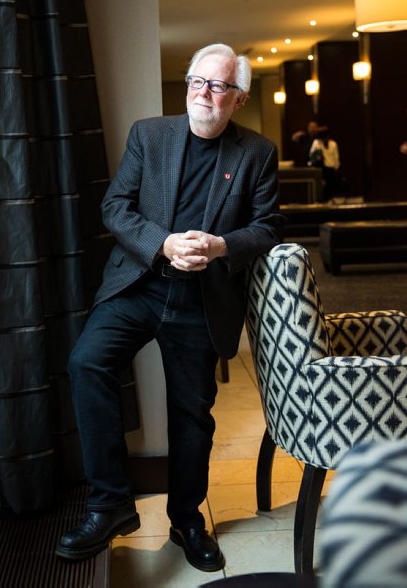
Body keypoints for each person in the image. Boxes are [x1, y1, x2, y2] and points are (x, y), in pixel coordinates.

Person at [55, 43, 284, 572]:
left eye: (219, 86)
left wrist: (221, 246)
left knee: (191, 413)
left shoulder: (257, 153)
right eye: (197, 82)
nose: (205, 93)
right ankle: (110, 503)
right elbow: (116, 206)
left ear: (239, 98)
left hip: (203, 300)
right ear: (187, 86)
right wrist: (163, 243)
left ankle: (186, 520)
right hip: (140, 285)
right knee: (87, 363)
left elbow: (268, 227)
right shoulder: (148, 135)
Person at [308, 126, 340, 200]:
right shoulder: (317, 143)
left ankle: (330, 199)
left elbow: (336, 157)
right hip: (321, 168)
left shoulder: (333, 144)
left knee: (331, 186)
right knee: (321, 186)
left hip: (331, 168)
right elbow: (311, 155)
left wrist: (336, 167)